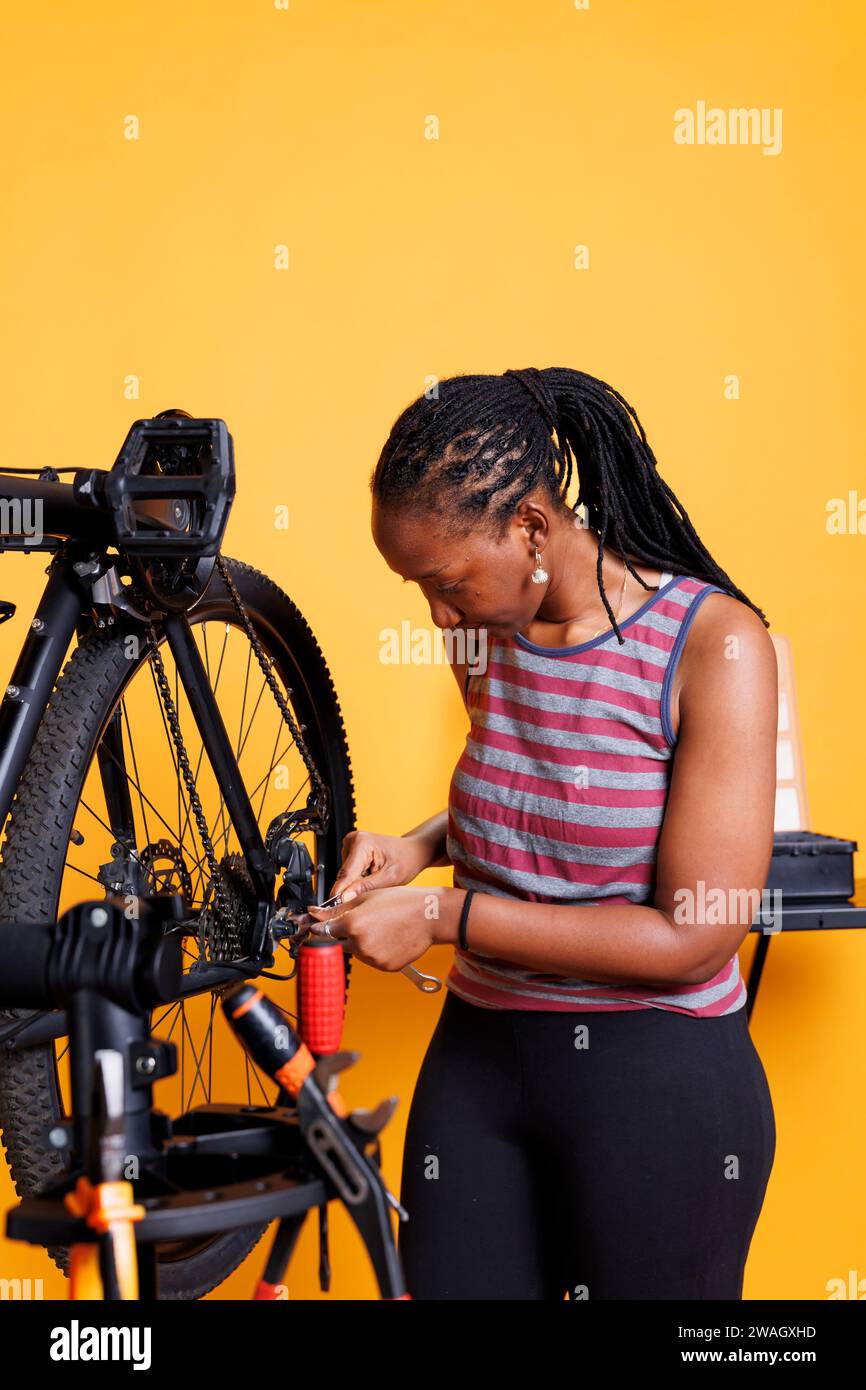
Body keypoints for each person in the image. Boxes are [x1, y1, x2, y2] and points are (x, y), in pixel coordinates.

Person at [307, 366, 778, 1300]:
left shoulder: (712, 647)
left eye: (444, 583)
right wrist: (419, 847)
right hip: (480, 1066)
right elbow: (544, 789)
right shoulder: (487, 625)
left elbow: (693, 937)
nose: (437, 617)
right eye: (416, 589)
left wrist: (441, 914)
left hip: (656, 1082)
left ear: (530, 526)